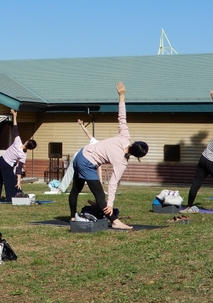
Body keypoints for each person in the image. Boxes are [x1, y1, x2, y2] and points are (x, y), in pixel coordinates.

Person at [68, 82, 149, 230]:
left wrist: (122, 95)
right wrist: (110, 204)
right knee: (99, 194)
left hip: (81, 154)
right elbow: (112, 184)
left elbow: (122, 117)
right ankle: (115, 221)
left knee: (76, 189)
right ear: (137, 156)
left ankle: (73, 217)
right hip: (86, 162)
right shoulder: (121, 162)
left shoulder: (125, 136)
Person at [0, 108, 37, 202]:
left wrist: (14, 115)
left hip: (0, 160)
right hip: (6, 165)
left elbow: (15, 128)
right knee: (11, 182)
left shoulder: (18, 141)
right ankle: (13, 198)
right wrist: (19, 181)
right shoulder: (23, 155)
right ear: (30, 148)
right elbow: (19, 169)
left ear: (26, 142)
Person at [59, 119, 99, 193]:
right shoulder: (98, 147)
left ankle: (61, 189)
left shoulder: (95, 142)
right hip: (82, 158)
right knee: (77, 172)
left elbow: (88, 133)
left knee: (71, 172)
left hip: (79, 155)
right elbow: (99, 168)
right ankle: (63, 189)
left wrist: (81, 125)